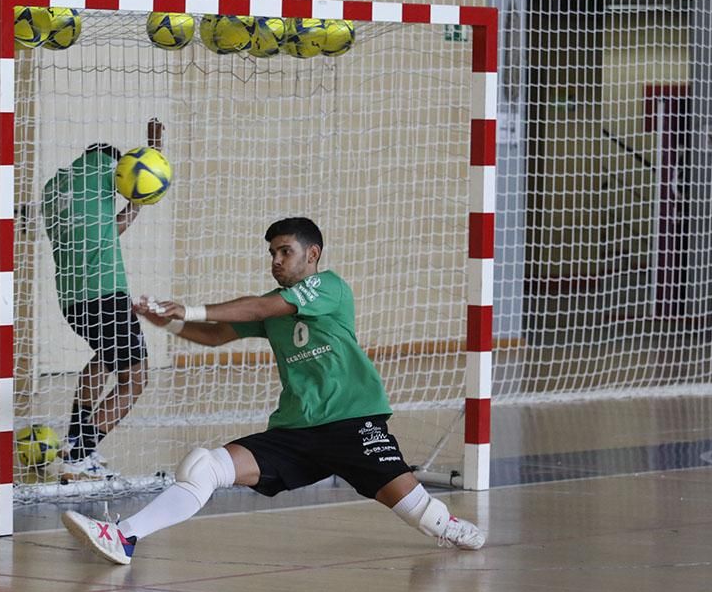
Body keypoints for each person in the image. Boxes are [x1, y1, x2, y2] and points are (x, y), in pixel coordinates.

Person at [62, 217, 486, 562]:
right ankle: (125, 536)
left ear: (312, 254)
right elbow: (217, 335)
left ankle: (446, 527)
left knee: (422, 515)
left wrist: (188, 306)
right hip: (295, 430)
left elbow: (265, 307)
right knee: (204, 467)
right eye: (272, 253)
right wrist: (167, 321)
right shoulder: (274, 302)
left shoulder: (328, 287)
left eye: (286, 251)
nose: (276, 260)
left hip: (352, 423)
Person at [40, 118, 163, 480]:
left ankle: (74, 439)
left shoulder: (54, 187)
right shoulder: (107, 172)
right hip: (107, 294)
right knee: (134, 380)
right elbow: (147, 172)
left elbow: (109, 231)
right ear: (114, 163)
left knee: (104, 359)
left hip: (71, 302)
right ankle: (80, 455)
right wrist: (154, 143)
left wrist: (135, 207)